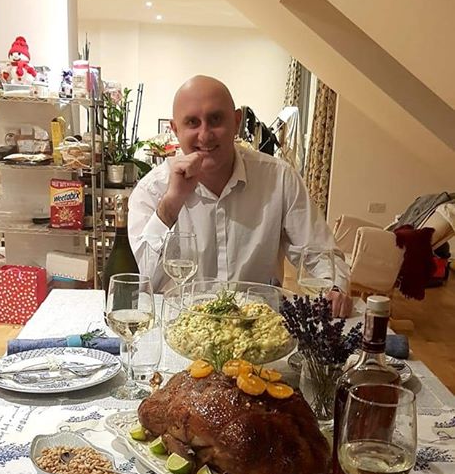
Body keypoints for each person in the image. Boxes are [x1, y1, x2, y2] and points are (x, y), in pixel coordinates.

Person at [128, 75, 352, 317]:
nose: (205, 135)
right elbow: (142, 283)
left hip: (259, 326)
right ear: (175, 129)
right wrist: (171, 203)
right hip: (182, 326)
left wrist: (334, 288)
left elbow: (320, 253)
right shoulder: (152, 190)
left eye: (215, 119)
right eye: (192, 122)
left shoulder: (279, 178)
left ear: (236, 122)